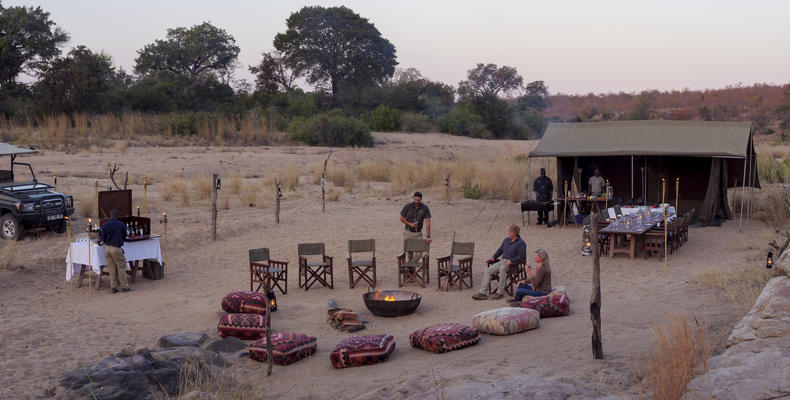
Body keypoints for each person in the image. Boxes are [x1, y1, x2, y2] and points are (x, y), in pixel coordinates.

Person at [472, 224, 526, 300]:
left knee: (503, 269)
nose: (508, 232)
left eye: (510, 231)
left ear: (514, 233)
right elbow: (500, 250)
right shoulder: (506, 240)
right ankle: (482, 292)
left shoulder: (521, 243)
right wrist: (493, 257)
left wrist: (511, 261)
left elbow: (521, 257)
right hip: (503, 261)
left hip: (513, 265)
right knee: (489, 270)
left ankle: (500, 292)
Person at [99, 209, 131, 293]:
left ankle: (114, 287)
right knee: (121, 268)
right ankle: (124, 286)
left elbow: (102, 238)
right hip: (116, 248)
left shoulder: (105, 225)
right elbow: (125, 236)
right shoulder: (121, 225)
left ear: (110, 216)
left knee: (111, 268)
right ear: (117, 216)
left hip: (107, 249)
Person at [399, 191, 431, 262]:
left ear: (421, 199)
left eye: (418, 200)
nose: (416, 201)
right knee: (409, 255)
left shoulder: (425, 208)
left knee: (419, 253)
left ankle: (408, 267)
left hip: (418, 234)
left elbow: (428, 223)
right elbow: (401, 218)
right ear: (413, 198)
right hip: (408, 233)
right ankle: (411, 272)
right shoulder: (407, 206)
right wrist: (410, 224)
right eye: (415, 199)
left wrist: (428, 236)